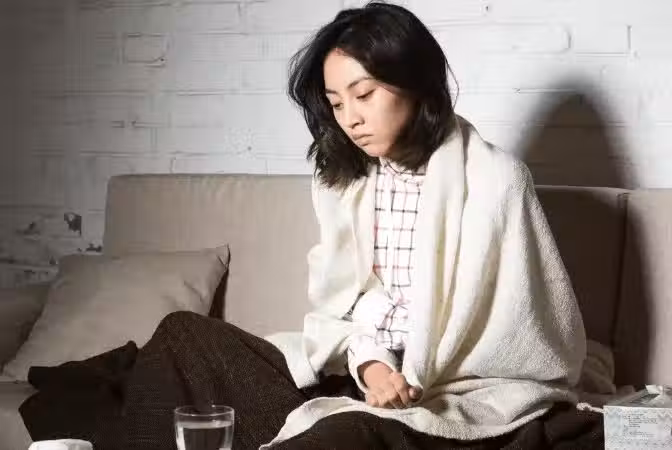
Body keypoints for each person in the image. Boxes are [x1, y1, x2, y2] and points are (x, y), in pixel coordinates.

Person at [21, 2, 602, 450]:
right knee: (183, 336)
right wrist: (370, 362)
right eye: (336, 102)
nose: (350, 118)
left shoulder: (497, 180)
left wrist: (406, 378)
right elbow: (341, 308)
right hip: (357, 370)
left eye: (364, 94)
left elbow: (527, 338)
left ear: (416, 82)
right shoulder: (346, 181)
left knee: (340, 437)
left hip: (443, 393)